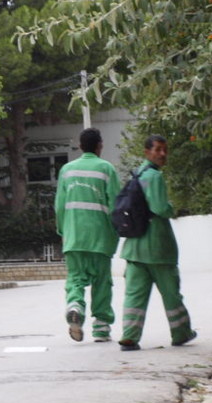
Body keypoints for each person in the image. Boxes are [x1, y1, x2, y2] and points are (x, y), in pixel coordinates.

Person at [118, 135, 196, 351]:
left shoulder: (137, 175)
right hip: (158, 248)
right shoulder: (154, 177)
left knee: (134, 296)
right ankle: (181, 332)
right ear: (147, 152)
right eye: (158, 149)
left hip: (134, 248)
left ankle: (129, 337)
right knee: (171, 293)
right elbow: (160, 208)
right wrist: (173, 208)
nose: (162, 154)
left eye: (165, 150)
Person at [54, 128, 121, 342]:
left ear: (80, 147)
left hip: (74, 238)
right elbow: (115, 205)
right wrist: (117, 231)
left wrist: (63, 230)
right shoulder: (106, 169)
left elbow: (59, 207)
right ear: (100, 145)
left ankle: (75, 306)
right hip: (100, 238)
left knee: (75, 279)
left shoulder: (67, 170)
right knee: (102, 282)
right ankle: (101, 328)